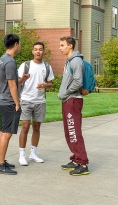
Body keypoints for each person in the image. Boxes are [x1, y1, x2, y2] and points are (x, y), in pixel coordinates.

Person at [17, 41, 54, 166]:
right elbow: (18, 82)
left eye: (40, 49)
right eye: (36, 49)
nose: (38, 51)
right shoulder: (25, 65)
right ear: (33, 51)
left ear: (43, 51)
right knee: (25, 127)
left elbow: (50, 84)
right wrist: (24, 78)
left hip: (40, 101)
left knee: (37, 128)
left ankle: (33, 154)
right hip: (26, 100)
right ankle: (22, 155)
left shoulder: (47, 67)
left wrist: (45, 85)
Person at [57, 36, 90, 176]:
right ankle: (76, 159)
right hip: (68, 100)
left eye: (62, 45)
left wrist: (65, 92)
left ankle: (82, 163)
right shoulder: (69, 61)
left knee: (74, 132)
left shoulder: (76, 61)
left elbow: (78, 82)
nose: (60, 48)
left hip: (72, 100)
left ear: (70, 46)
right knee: (69, 132)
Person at [0, 33, 22, 175]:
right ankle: (0, 164)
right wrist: (17, 103)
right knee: (7, 133)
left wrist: (22, 79)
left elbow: (10, 82)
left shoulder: (3, 59)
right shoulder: (10, 61)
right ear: (16, 44)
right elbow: (11, 85)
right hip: (9, 102)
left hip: (2, 101)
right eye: (20, 44)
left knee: (2, 131)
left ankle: (1, 160)